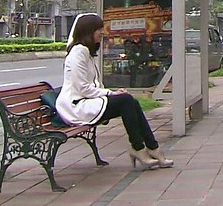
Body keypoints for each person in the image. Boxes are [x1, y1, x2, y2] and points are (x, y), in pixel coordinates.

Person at [56, 13, 173, 169]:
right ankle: (139, 148)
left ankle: (152, 148)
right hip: (76, 107)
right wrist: (111, 93)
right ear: (88, 31)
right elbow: (83, 88)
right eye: (98, 29)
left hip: (86, 102)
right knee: (126, 100)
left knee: (130, 101)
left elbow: (93, 86)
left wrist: (113, 93)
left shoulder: (86, 52)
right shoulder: (78, 52)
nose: (102, 32)